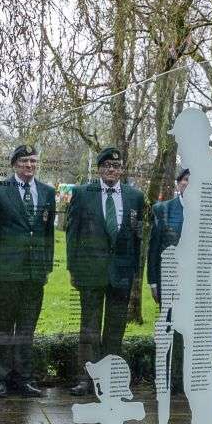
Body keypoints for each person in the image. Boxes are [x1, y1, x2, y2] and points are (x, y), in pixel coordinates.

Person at [67, 147, 146, 395]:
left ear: (122, 170)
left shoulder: (135, 196)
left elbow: (138, 238)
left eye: (116, 166)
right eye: (107, 166)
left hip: (121, 273)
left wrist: (134, 272)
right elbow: (72, 233)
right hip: (90, 271)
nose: (111, 170)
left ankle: (110, 378)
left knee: (115, 329)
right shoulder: (83, 193)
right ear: (99, 168)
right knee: (89, 328)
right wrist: (73, 268)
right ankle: (85, 379)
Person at [0, 146, 54, 398]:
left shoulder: (47, 192)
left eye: (33, 161)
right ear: (14, 164)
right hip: (7, 270)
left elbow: (48, 233)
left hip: (35, 272)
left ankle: (24, 379)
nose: (29, 165)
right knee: (3, 325)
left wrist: (46, 265)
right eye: (24, 160)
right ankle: (2, 378)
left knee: (27, 326)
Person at [147, 167, 189, 304]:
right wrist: (153, 282)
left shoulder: (207, 213)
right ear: (178, 183)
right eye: (186, 179)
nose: (189, 184)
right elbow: (154, 249)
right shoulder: (163, 210)